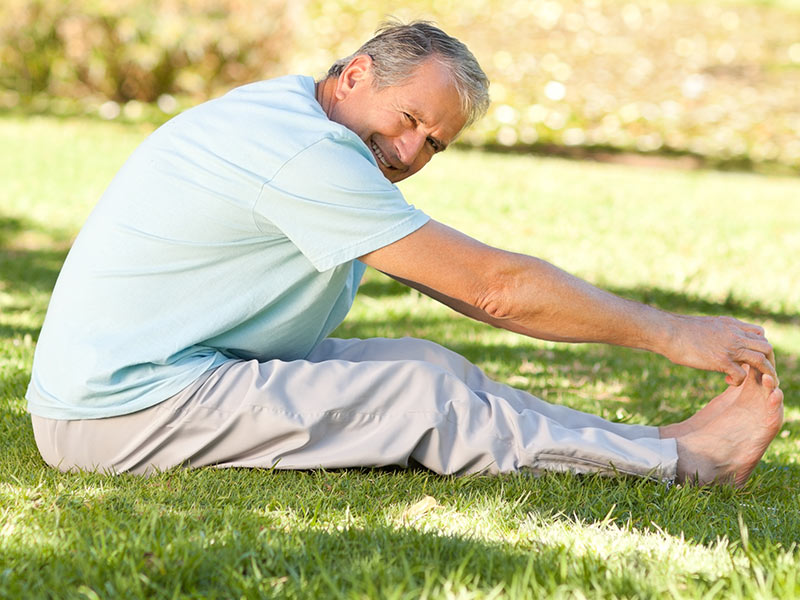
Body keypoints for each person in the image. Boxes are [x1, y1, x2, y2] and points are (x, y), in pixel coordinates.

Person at [27, 21, 784, 487]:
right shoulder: (303, 153)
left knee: (428, 366)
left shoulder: (293, 115)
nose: (409, 152)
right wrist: (670, 332)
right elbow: (493, 289)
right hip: (119, 410)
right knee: (417, 403)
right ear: (355, 74)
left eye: (435, 143)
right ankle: (687, 466)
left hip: (182, 370)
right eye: (410, 118)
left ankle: (651, 442)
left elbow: (460, 289)